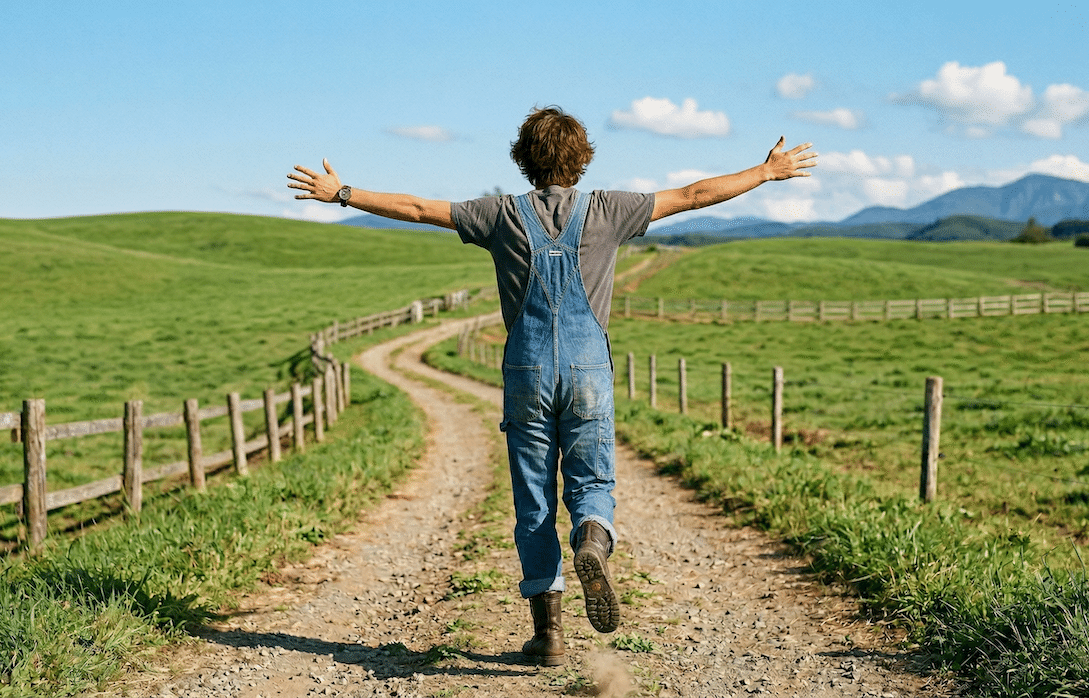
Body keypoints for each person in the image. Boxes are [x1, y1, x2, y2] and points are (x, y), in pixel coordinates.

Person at [288, 106, 816, 666]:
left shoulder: (498, 215)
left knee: (533, 498)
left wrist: (341, 193)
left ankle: (550, 637)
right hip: (590, 373)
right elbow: (692, 195)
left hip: (526, 372)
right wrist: (764, 172)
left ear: (523, 159)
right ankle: (591, 539)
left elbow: (419, 208)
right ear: (581, 157)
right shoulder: (610, 209)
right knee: (592, 480)